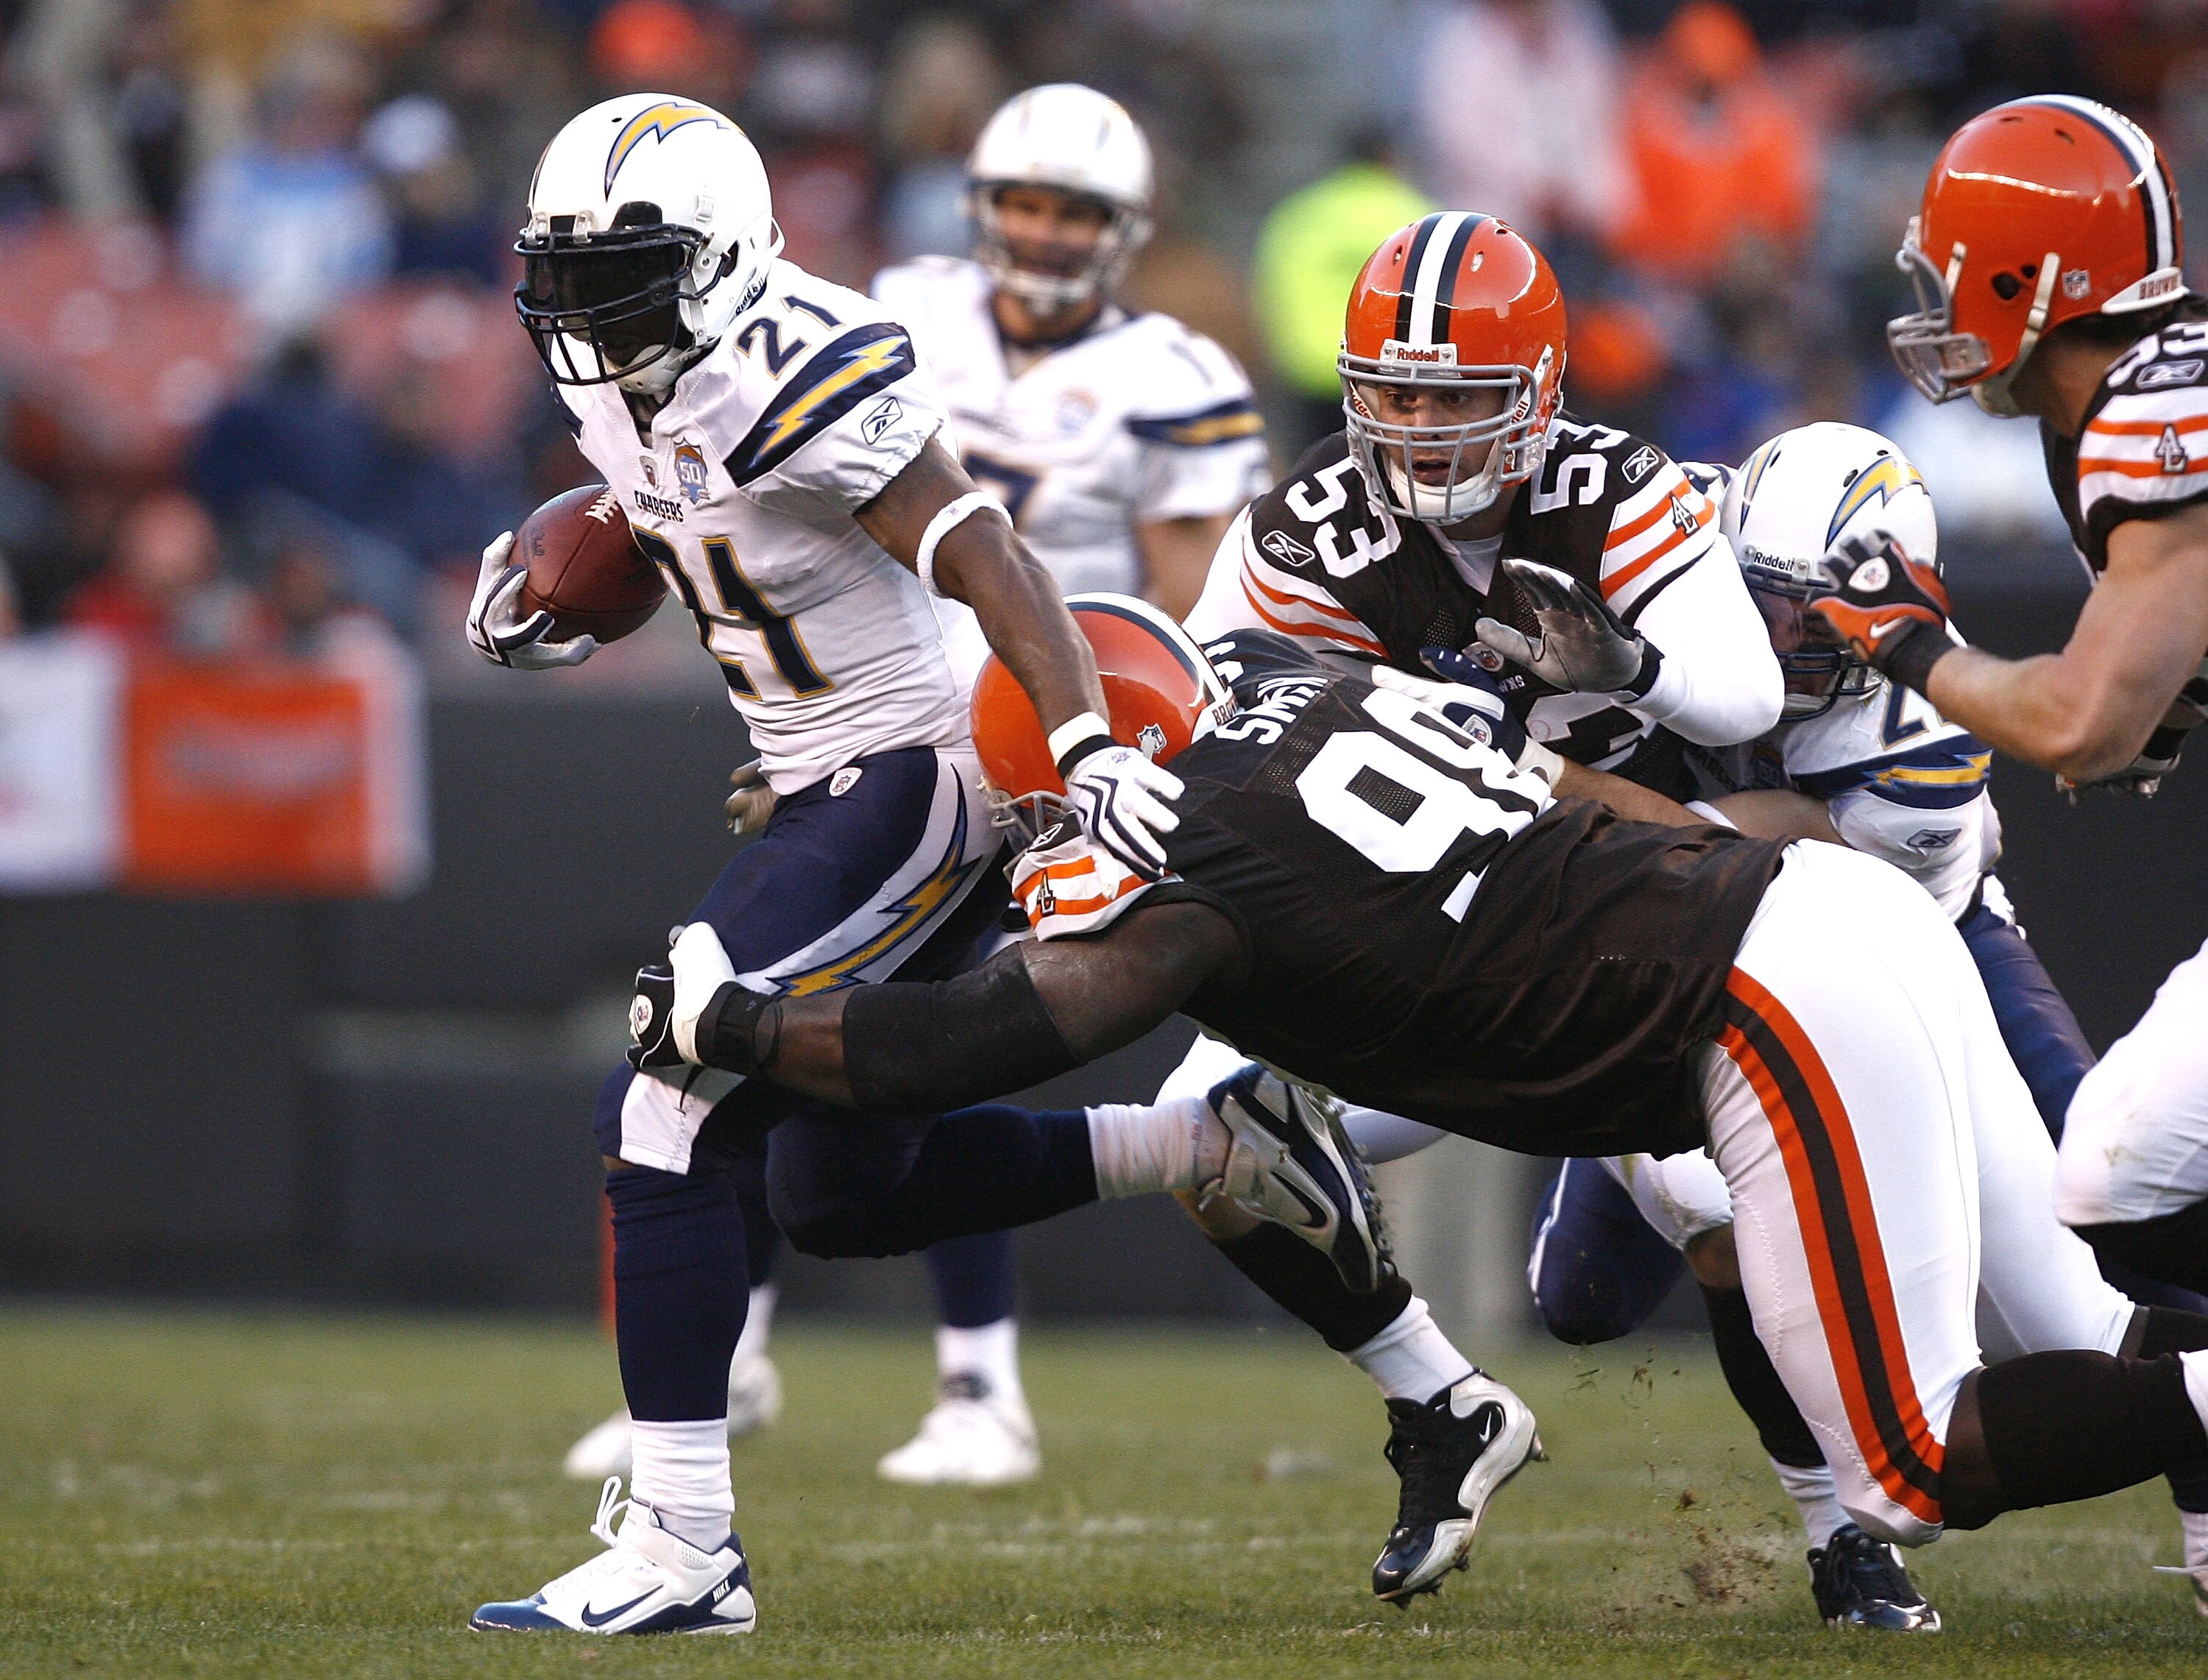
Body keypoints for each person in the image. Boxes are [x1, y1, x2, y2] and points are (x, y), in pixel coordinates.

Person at [644, 603, 2208, 1618]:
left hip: (1751, 1005)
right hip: (1799, 926)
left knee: (1917, 1464)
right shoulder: (1283, 677)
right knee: (1899, 1316)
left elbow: (958, 1048)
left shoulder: (1181, 891)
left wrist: (740, 1018)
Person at [463, 92, 1189, 1637]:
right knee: (838, 1181)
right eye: (568, 274)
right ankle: (1198, 1144)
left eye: (628, 273)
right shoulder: (629, 381)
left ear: (721, 261)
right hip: (819, 780)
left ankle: (682, 1544)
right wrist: (576, 571)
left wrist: (1089, 752)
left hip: (918, 774)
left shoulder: (793, 368)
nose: (589, 309)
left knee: (663, 1088)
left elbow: (996, 561)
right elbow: (693, 524)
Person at [1161, 210, 1781, 1601]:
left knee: (1710, 1207)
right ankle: (1442, 1404)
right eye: (1393, 391)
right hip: (1388, 938)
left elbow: (1739, 691)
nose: (1420, 425)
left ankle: (1837, 1524)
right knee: (1214, 1136)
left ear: (1540, 394)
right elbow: (1206, 721)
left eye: (1457, 396)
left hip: (1606, 918)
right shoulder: (1308, 528)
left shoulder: (1611, 485)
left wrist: (1629, 659)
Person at [1526, 420, 2208, 1628]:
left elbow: (1713, 856)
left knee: (2105, 1236)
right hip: (1682, 951)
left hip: (1916, 951)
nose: (1788, 634)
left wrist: (1575, 770)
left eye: (1822, 611)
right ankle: (1842, 1522)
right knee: (1581, 1293)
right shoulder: (1657, 533)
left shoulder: (1924, 732)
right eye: (1762, 599)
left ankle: (1870, 1535)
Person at [1813, 95, 2208, 1307]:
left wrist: (1907, 643)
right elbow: (2123, 730)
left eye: (1953, 275)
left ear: (2025, 282)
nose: (1934, 309)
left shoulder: (2155, 413)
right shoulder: (2132, 395)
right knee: (2119, 1176)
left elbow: (2077, 729)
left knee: (2123, 1175)